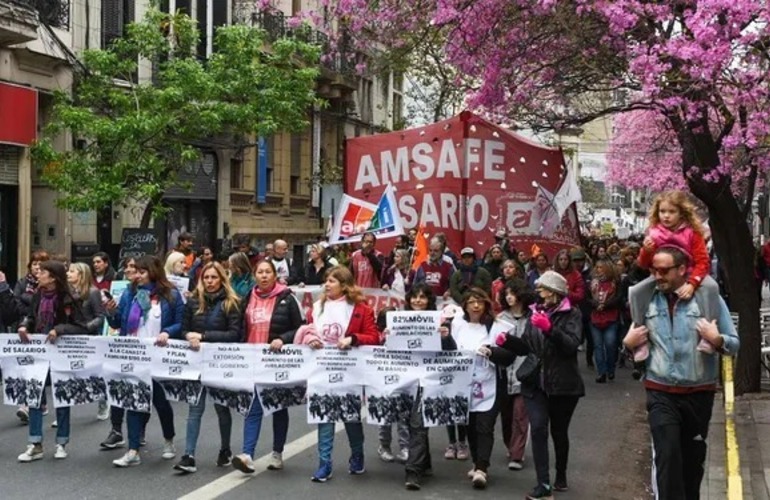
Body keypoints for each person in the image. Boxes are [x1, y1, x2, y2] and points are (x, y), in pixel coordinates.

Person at [623, 247, 739, 500]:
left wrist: (716, 339)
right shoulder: (646, 299)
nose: (657, 276)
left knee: (691, 463)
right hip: (660, 391)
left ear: (682, 270)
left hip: (699, 393)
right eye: (653, 270)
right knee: (667, 455)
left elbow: (733, 342)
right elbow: (634, 346)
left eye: (663, 270)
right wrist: (628, 344)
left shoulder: (708, 298)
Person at [498, 270, 585, 499]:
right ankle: (543, 484)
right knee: (537, 429)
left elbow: (571, 345)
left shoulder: (572, 314)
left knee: (559, 432)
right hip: (535, 383)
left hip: (563, 385)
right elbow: (526, 347)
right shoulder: (535, 313)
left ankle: (561, 475)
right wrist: (507, 341)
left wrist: (550, 329)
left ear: (554, 292)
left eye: (542, 289)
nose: (538, 293)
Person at [294, 265, 381, 482]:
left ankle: (357, 455)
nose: (327, 285)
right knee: (324, 415)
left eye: (332, 281)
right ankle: (324, 464)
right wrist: (309, 339)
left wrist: (353, 339)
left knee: (351, 417)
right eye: (326, 280)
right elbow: (308, 330)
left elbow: (374, 337)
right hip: (322, 369)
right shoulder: (317, 307)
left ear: (344, 285)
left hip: (349, 371)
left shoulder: (361, 308)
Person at [107, 255, 185, 468]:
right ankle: (133, 450)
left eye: (141, 272)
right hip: (133, 356)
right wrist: (110, 311)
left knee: (160, 402)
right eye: (135, 271)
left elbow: (180, 323)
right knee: (133, 402)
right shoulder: (130, 294)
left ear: (153, 272)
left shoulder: (171, 295)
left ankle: (169, 439)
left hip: (158, 357)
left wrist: (168, 332)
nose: (137, 275)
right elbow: (117, 322)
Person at [232, 259, 304, 474]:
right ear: (255, 276)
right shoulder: (247, 298)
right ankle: (247, 455)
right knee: (253, 407)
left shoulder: (287, 298)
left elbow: (300, 329)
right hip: (254, 362)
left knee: (278, 408)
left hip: (276, 362)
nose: (263, 276)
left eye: (267, 272)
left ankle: (277, 453)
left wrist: (283, 338)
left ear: (275, 275)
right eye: (260, 272)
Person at [633, 191, 720, 362]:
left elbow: (702, 262)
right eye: (662, 211)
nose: (666, 216)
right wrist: (646, 250)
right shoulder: (654, 233)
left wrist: (692, 283)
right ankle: (639, 335)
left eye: (671, 212)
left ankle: (708, 335)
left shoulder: (692, 232)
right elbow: (643, 263)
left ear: (681, 212)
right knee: (636, 292)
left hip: (689, 273)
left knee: (711, 288)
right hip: (661, 275)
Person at [16, 261, 90, 462]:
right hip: (39, 351)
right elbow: (30, 317)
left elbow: (82, 327)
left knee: (61, 397)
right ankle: (35, 443)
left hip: (61, 354)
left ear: (53, 277)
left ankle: (61, 442)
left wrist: (59, 330)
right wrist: (24, 326)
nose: (38, 275)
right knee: (35, 396)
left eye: (42, 272)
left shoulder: (69, 298)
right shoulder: (38, 296)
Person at [174, 262, 243, 474]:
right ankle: (189, 455)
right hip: (196, 362)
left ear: (222, 279)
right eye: (206, 278)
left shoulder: (232, 302)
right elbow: (184, 328)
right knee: (195, 408)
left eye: (214, 277)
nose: (210, 282)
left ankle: (225, 449)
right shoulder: (193, 301)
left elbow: (234, 334)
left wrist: (203, 337)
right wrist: (188, 336)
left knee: (222, 408)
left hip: (220, 363)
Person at [450, 288, 514, 489]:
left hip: (490, 384)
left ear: (486, 305)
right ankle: (476, 461)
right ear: (465, 306)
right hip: (464, 384)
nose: (476, 306)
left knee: (484, 426)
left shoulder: (497, 327)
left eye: (479, 302)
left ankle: (482, 468)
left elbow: (509, 356)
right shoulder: (457, 325)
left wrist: (491, 352)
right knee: (470, 425)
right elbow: (448, 351)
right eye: (471, 302)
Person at [403, 282, 456, 490]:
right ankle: (424, 463)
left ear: (429, 301)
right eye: (414, 297)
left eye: (422, 297)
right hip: (406, 379)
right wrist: (387, 336)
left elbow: (452, 351)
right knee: (411, 422)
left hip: (429, 378)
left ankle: (412, 472)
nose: (417, 300)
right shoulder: (400, 320)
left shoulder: (440, 321)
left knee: (418, 423)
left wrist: (446, 337)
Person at [99, 256, 139, 450]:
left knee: (143, 392)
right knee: (118, 386)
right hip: (125, 347)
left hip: (144, 349)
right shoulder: (126, 293)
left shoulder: (157, 293)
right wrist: (111, 311)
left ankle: (140, 431)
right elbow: (116, 323)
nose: (129, 270)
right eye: (128, 266)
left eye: (133, 266)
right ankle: (116, 430)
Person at [496, 278, 535, 471]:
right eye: (507, 294)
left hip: (524, 373)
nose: (510, 297)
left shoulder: (533, 318)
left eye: (513, 293)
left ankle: (517, 454)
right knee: (507, 416)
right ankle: (510, 445)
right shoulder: (501, 317)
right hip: (504, 374)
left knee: (521, 415)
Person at [13, 249, 50, 424]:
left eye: (41, 264)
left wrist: (27, 299)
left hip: (41, 331)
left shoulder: (48, 286)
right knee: (25, 367)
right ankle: (26, 404)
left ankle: (36, 403)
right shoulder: (22, 283)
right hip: (23, 329)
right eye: (34, 264)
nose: (37, 267)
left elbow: (31, 303)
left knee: (38, 369)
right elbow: (17, 304)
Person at [375, 307, 410, 464]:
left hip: (401, 380)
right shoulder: (377, 336)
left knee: (403, 416)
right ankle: (384, 446)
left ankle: (405, 447)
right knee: (385, 417)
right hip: (383, 382)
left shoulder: (404, 334)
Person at [589, 259, 623, 383]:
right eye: (597, 267)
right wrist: (595, 304)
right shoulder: (592, 283)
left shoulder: (615, 283)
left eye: (601, 267)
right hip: (595, 318)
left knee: (610, 344)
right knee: (598, 346)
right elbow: (587, 298)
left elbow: (619, 298)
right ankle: (601, 372)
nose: (598, 269)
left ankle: (610, 369)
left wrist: (605, 305)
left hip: (611, 317)